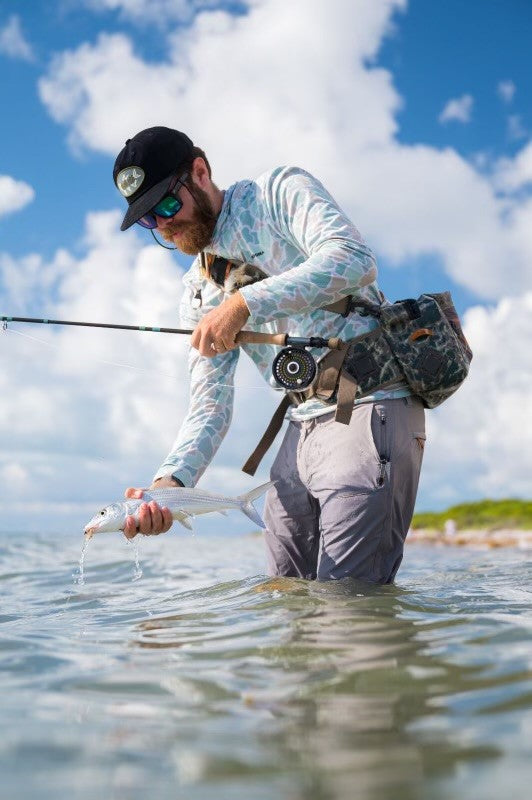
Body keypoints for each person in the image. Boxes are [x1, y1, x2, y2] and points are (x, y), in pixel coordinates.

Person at [112, 126, 426, 583]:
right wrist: (169, 487)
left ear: (200, 172)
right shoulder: (197, 293)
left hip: (367, 402)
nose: (163, 225)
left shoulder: (278, 192)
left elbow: (354, 260)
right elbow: (210, 407)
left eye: (166, 205)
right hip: (299, 429)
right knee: (285, 601)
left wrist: (243, 304)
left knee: (349, 606)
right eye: (147, 220)